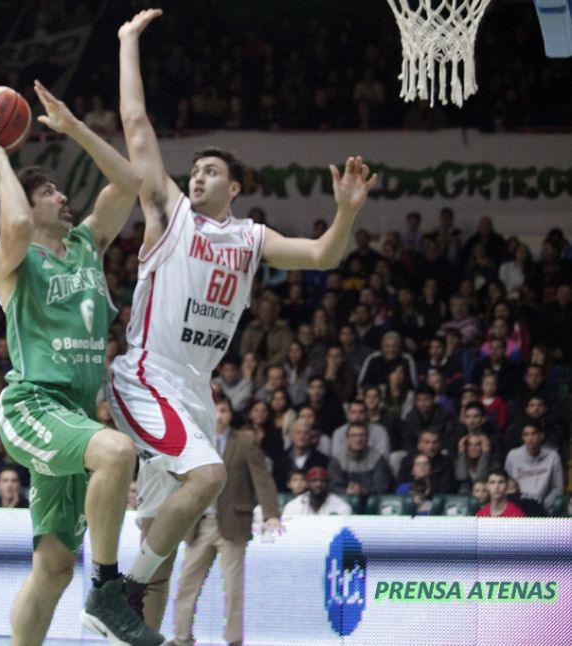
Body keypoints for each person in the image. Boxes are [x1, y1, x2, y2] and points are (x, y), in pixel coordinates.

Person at [114, 8, 377, 630]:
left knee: (161, 541)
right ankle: (118, 592)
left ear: (234, 188)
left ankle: (136, 626)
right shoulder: (172, 215)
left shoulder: (251, 238)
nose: (197, 177)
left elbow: (323, 255)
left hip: (194, 392)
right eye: (195, 171)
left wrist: (347, 212)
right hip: (149, 375)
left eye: (211, 172)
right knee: (202, 483)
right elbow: (136, 125)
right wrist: (127, 42)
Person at [0, 81, 161, 645]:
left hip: (72, 414)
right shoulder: (12, 260)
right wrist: (0, 158)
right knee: (116, 452)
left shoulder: (87, 244)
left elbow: (128, 183)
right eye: (48, 192)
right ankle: (106, 590)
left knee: (51, 567)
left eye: (57, 188)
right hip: (32, 405)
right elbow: (16, 226)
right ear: (28, 204)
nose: (62, 196)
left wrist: (73, 127)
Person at [170, 398, 280, 646]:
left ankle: (233, 640)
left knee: (232, 588)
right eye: (215, 410)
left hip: (233, 521)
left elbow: (262, 479)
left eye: (223, 410)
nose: (219, 415)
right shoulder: (195, 440)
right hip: (199, 523)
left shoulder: (245, 442)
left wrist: (271, 513)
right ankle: (181, 637)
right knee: (186, 583)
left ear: (230, 414)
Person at [504, 423, 564, 510]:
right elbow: (507, 484)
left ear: (541, 436)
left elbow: (558, 487)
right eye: (526, 434)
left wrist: (544, 505)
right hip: (518, 506)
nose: (530, 438)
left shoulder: (553, 456)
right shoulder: (513, 456)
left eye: (534, 434)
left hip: (544, 507)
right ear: (522, 437)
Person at [328, 422, 391, 496]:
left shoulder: (377, 458)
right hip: (343, 500)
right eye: (354, 435)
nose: (358, 439)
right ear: (347, 439)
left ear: (367, 438)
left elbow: (382, 487)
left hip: (371, 500)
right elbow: (332, 487)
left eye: (362, 435)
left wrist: (364, 491)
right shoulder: (337, 459)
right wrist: (346, 492)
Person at [282, 467, 353, 516]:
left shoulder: (342, 508)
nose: (319, 484)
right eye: (314, 480)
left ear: (328, 484)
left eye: (323, 481)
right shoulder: (292, 507)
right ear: (307, 483)